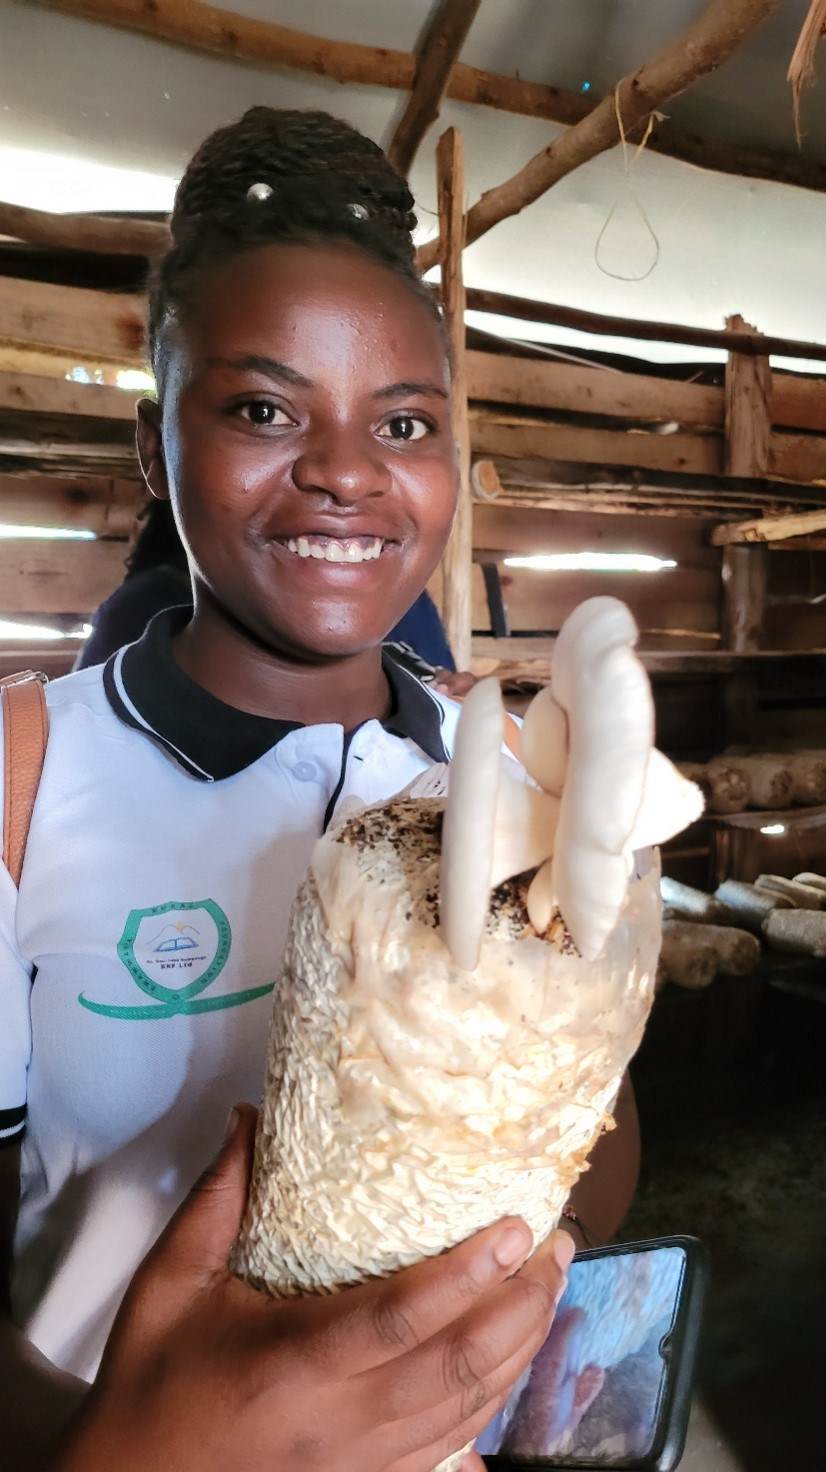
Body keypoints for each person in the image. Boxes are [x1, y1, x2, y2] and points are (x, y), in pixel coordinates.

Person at [0, 107, 639, 1472]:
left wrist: (561, 1021)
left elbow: (603, 1153)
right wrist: (126, 1448)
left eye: (402, 420)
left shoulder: (511, 778)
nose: (348, 469)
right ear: (149, 446)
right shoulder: (27, 771)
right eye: (262, 408)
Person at [77, 498, 461, 675]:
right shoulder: (149, 603)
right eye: (263, 414)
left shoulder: (406, 599)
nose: (345, 485)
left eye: (403, 427)